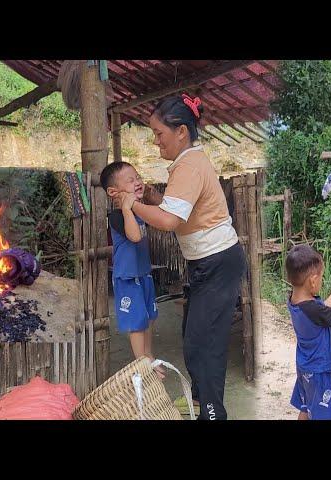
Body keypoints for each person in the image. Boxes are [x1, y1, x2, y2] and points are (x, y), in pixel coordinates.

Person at [116, 93, 246, 420]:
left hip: (217, 264)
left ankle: (213, 413)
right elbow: (179, 209)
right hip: (210, 264)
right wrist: (154, 197)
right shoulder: (188, 163)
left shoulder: (189, 165)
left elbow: (168, 221)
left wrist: (131, 205)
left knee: (204, 346)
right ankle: (203, 402)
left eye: (160, 134)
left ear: (181, 132)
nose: (156, 142)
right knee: (195, 340)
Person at [100, 161, 164, 378]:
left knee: (150, 317)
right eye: (130, 180)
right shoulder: (118, 216)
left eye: (138, 177)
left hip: (143, 274)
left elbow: (162, 219)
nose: (137, 182)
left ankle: (148, 355)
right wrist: (127, 208)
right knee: (137, 323)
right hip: (127, 278)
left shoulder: (138, 211)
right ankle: (142, 363)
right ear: (113, 192)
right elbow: (135, 237)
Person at [285, 244, 331, 420]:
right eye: (321, 277)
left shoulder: (295, 301)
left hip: (304, 367)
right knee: (324, 414)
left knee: (306, 407)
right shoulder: (313, 310)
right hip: (319, 370)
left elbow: (322, 309)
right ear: (313, 281)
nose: (321, 281)